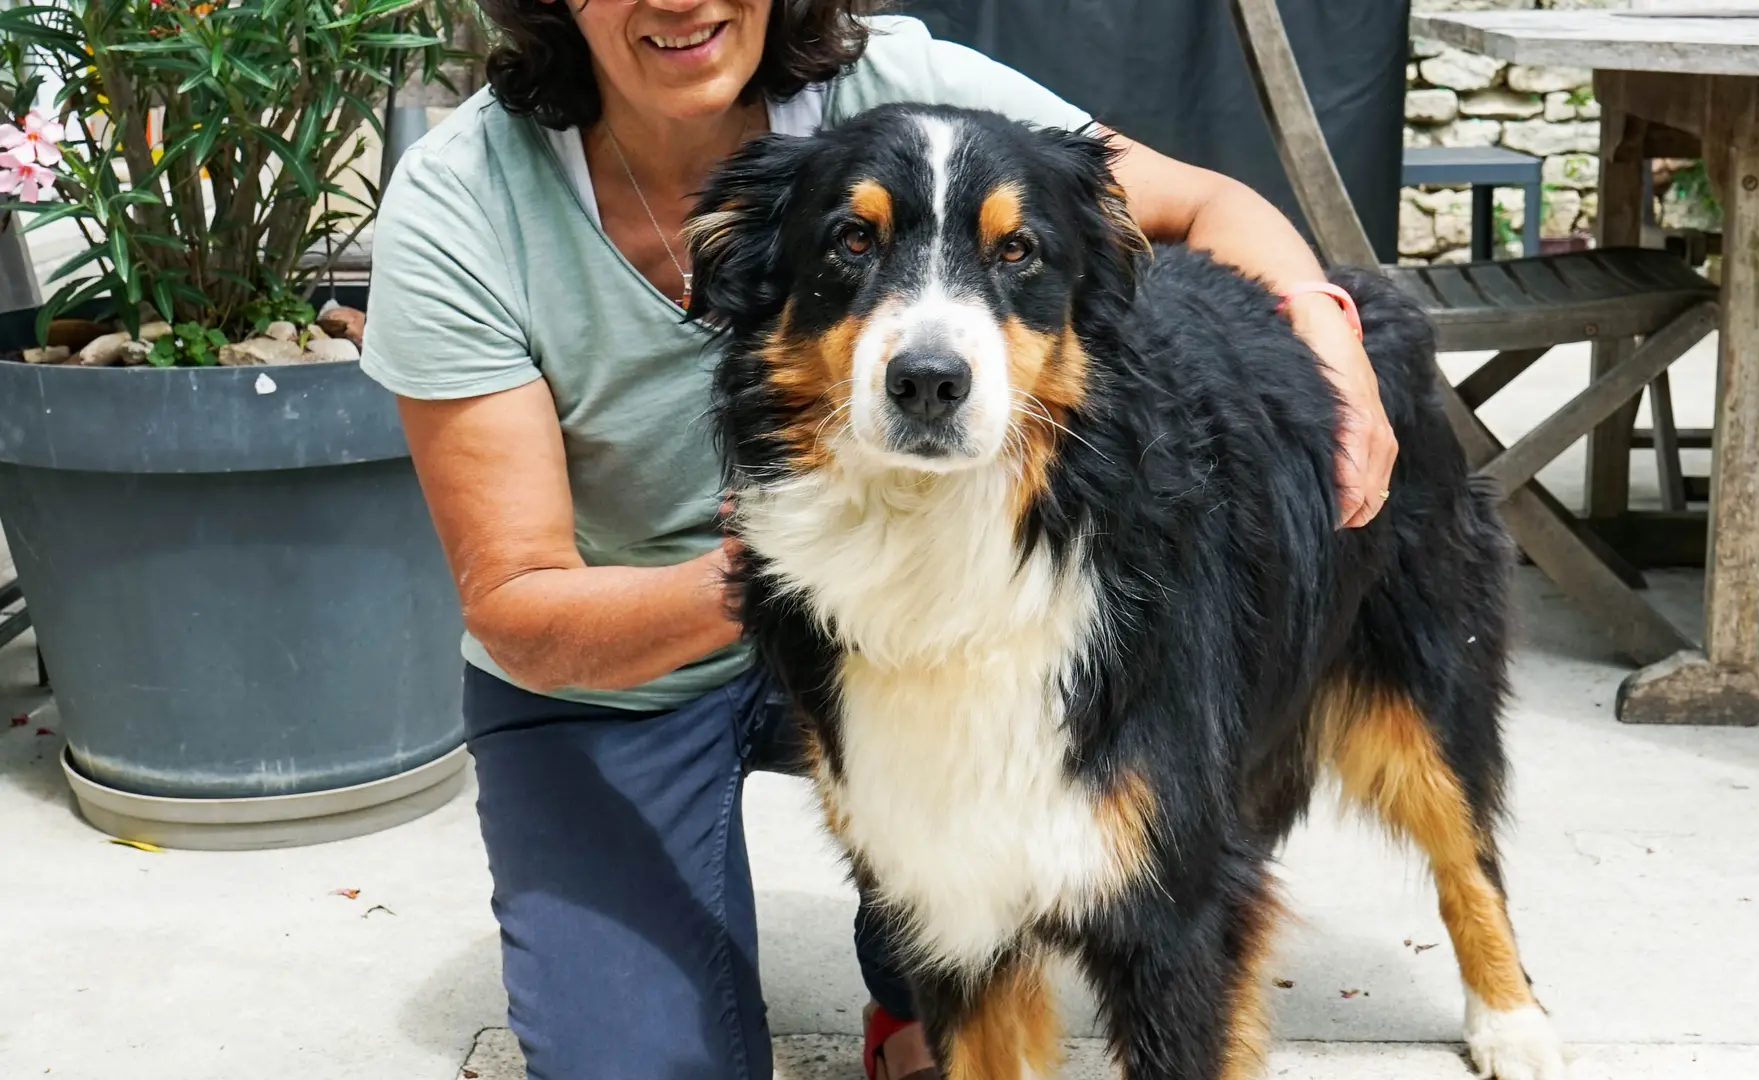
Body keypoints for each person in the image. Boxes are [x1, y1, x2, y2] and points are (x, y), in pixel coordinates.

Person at [359, 2, 1399, 1078]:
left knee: (1041, 841)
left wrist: (1336, 349)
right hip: (623, 666)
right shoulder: (462, 200)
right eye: (858, 242)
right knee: (639, 1063)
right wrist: (786, 566)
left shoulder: (904, 88)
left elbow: (1209, 207)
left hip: (910, 605)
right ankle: (930, 962)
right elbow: (520, 605)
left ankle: (918, 994)